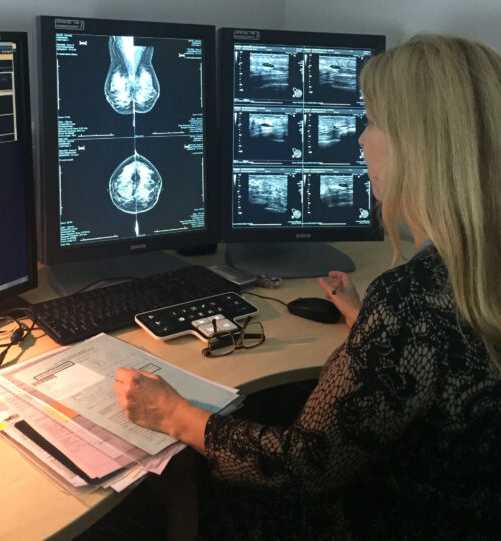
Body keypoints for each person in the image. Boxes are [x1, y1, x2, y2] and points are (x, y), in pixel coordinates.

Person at [114, 34, 501, 540]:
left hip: (390, 519)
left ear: (420, 147)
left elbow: (305, 465)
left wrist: (173, 414)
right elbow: (452, 358)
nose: (361, 139)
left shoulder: (409, 300)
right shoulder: (467, 274)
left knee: (177, 484)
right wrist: (369, 328)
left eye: (375, 122)